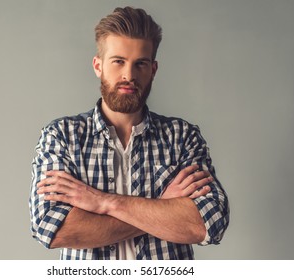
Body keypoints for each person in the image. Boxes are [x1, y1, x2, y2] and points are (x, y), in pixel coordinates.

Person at [29, 6, 229, 260]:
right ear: (98, 66)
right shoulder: (61, 137)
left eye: (140, 64)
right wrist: (161, 208)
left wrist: (103, 202)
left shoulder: (182, 137)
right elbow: (53, 230)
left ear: (153, 70)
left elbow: (207, 224)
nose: (129, 75)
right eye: (118, 62)